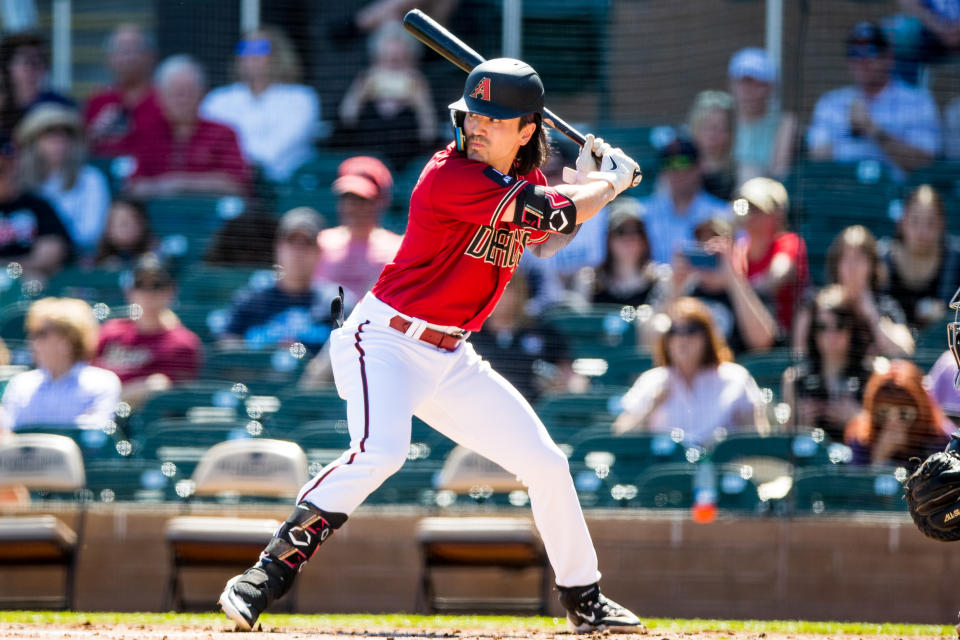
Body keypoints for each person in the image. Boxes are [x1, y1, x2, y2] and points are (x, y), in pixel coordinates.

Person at [218, 57, 644, 634]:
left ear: (526, 130)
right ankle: (263, 576)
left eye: (495, 120)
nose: (477, 127)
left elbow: (545, 241)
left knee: (546, 463)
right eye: (474, 115)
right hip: (386, 341)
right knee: (382, 451)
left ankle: (584, 599)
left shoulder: (526, 181)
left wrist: (584, 186)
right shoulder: (450, 175)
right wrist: (607, 183)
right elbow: (553, 216)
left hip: (451, 356)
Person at [613, 296, 768, 447]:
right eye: (674, 331)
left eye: (692, 330)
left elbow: (758, 438)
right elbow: (619, 435)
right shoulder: (653, 380)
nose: (682, 338)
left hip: (719, 468)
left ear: (707, 336)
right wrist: (652, 406)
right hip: (666, 467)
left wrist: (739, 434)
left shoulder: (735, 378)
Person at [806, 21, 941, 181]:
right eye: (854, 52)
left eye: (871, 50)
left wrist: (875, 131)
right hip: (842, 193)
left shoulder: (918, 102)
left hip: (898, 196)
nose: (862, 60)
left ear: (889, 58)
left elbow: (925, 162)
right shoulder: (831, 102)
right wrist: (850, 132)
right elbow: (815, 157)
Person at [200, 26, 320, 182]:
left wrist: (236, 160)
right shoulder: (218, 99)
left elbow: (273, 151)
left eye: (260, 49)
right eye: (245, 49)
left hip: (284, 186)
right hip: (232, 183)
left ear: (278, 55)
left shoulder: (302, 98)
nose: (252, 56)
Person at [217, 207, 341, 354]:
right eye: (291, 242)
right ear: (278, 247)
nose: (298, 252)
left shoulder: (335, 303)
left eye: (306, 243)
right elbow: (225, 347)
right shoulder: (251, 300)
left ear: (319, 251)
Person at [126, 55, 250, 198]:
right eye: (176, 93)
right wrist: (162, 186)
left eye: (188, 92)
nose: (182, 100)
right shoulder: (148, 134)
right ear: (160, 97)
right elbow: (134, 186)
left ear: (202, 94)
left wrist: (180, 183)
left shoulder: (223, 133)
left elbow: (236, 184)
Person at [656, 217, 777, 355]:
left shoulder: (747, 291)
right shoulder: (685, 292)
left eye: (715, 246)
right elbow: (654, 339)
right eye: (701, 243)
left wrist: (733, 278)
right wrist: (675, 286)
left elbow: (762, 342)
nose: (708, 249)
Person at [94, 256, 201, 409]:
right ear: (129, 291)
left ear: (171, 290)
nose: (148, 293)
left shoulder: (183, 343)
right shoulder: (109, 332)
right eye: (140, 285)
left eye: (157, 285)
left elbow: (172, 400)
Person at [794, 225, 915, 358]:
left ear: (872, 266)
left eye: (859, 259)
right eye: (845, 259)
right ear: (836, 264)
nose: (852, 267)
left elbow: (905, 351)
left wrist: (871, 315)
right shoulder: (815, 306)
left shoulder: (885, 307)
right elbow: (800, 357)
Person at [0, 297, 120, 431]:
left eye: (41, 333)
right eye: (31, 334)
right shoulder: (20, 384)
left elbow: (95, 437)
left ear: (68, 339)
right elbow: (7, 434)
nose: (32, 342)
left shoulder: (102, 383)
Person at [335, 20, 439, 170]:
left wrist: (422, 104)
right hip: (364, 171)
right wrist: (358, 95)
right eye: (386, 60)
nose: (393, 67)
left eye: (400, 61)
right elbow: (343, 129)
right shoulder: (364, 83)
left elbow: (429, 139)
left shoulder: (421, 87)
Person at [470, 271, 586, 404]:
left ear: (519, 292)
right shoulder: (469, 335)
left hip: (536, 410)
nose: (499, 295)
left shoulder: (542, 331)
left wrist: (561, 386)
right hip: (482, 408)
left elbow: (571, 378)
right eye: (492, 287)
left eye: (506, 288)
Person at [14, 104, 111, 260]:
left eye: (63, 137)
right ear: (33, 143)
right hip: (26, 262)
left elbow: (90, 233)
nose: (57, 144)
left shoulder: (91, 178)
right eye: (49, 137)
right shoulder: (17, 182)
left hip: (74, 259)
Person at [781, 285, 875, 443]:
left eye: (839, 326)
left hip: (856, 463)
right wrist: (802, 425)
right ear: (813, 332)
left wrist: (858, 419)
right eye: (822, 327)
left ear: (853, 329)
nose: (831, 336)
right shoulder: (795, 379)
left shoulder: (872, 376)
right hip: (813, 462)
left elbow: (882, 440)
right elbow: (785, 443)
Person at [312, 155, 403, 300]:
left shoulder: (399, 250)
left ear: (381, 201)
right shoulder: (318, 244)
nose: (351, 207)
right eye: (346, 198)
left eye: (361, 200)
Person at [732, 177, 809, 335]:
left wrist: (735, 287)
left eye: (757, 209)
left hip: (781, 339)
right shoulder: (738, 248)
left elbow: (776, 277)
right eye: (744, 207)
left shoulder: (789, 243)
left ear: (777, 214)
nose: (748, 215)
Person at [878, 184, 960, 331]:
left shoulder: (956, 259)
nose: (922, 231)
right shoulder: (881, 258)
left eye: (930, 223)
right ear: (902, 222)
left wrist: (946, 316)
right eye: (915, 221)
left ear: (942, 224)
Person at [640, 135, 730, 266]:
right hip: (654, 284)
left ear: (699, 166)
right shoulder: (641, 213)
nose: (677, 171)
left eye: (684, 162)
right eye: (668, 164)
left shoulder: (723, 214)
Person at [844, 358, 951, 466]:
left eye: (903, 414)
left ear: (921, 412)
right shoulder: (862, 438)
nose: (892, 423)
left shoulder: (941, 442)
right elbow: (855, 480)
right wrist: (878, 458)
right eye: (883, 413)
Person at [83, 24, 165, 157]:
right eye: (121, 51)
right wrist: (95, 132)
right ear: (109, 59)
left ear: (151, 56)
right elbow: (80, 148)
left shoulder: (164, 100)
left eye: (134, 50)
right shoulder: (98, 101)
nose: (128, 58)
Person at [0, 137, 71, 278]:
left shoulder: (37, 205)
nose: (7, 172)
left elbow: (50, 255)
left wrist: (9, 270)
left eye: (9, 164)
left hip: (29, 285)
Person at [727, 47, 797, 182]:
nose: (749, 90)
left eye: (759, 84)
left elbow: (779, 171)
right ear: (732, 84)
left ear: (771, 88)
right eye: (744, 82)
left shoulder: (785, 123)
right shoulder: (722, 119)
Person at [590, 197, 665, 307]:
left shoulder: (660, 279)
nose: (630, 238)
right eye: (621, 231)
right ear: (608, 238)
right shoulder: (590, 281)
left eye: (637, 231)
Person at [0, 31, 74, 137]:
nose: (35, 69)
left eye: (40, 61)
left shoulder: (59, 106)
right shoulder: (3, 108)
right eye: (27, 62)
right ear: (7, 67)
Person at [688, 90, 738, 201]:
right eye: (707, 128)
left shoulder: (738, 172)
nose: (713, 136)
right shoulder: (680, 168)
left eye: (720, 129)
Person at [94, 198, 156, 269]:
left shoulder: (155, 255)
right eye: (122, 223)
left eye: (125, 223)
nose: (119, 228)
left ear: (142, 223)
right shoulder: (94, 262)